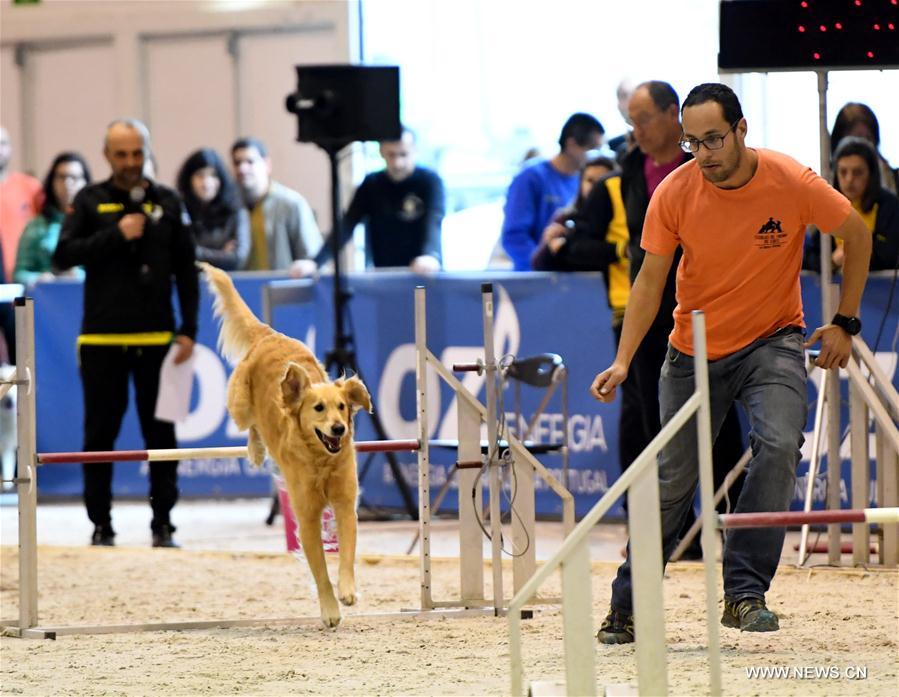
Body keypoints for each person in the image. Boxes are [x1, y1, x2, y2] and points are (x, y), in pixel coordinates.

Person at [590, 83, 871, 642]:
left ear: (742, 130)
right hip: (692, 350)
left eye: (714, 139)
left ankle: (744, 592)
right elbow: (650, 280)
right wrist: (623, 361)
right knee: (673, 482)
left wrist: (845, 320)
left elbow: (856, 234)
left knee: (779, 445)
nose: (705, 154)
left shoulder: (789, 180)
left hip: (774, 340)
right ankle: (628, 604)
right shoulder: (674, 193)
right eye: (693, 143)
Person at [602, 81, 746, 551]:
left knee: (719, 422)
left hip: (705, 306)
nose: (636, 130)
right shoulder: (627, 167)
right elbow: (638, 251)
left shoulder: (706, 161)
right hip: (646, 308)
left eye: (644, 119)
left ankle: (734, 527)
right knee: (652, 421)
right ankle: (671, 534)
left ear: (672, 115)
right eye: (631, 121)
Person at [53, 118, 199, 548]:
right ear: (106, 155)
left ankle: (164, 523)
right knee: (100, 435)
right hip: (102, 340)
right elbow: (63, 255)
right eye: (122, 154)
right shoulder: (89, 200)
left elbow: (187, 274)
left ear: (147, 151)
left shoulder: (169, 202)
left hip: (158, 340)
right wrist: (115, 235)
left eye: (137, 153)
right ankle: (101, 524)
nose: (131, 162)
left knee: (161, 437)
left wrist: (189, 330)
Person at [315, 128, 446, 272]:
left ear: (414, 151)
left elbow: (434, 220)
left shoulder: (430, 181)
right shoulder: (371, 184)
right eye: (391, 155)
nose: (398, 163)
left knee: (420, 294)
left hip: (423, 273)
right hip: (385, 274)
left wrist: (430, 255)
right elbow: (347, 224)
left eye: (403, 154)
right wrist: (316, 262)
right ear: (382, 152)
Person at [501, 113, 605, 271]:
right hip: (537, 280)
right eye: (592, 150)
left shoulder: (586, 180)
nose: (596, 157)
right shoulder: (531, 177)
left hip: (573, 280)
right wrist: (539, 268)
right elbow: (514, 236)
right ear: (571, 144)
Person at [230, 137, 323, 277]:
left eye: (250, 161)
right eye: (237, 163)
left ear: (267, 164)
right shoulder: (229, 207)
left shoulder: (291, 203)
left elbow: (312, 259)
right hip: (242, 293)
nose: (242, 168)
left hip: (284, 292)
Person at [804, 136, 899, 272]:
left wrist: (856, 253)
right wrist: (831, 261)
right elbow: (809, 257)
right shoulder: (828, 205)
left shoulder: (890, 206)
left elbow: (891, 255)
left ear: (871, 174)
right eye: (843, 172)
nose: (849, 179)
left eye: (858, 172)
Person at [14, 152, 91, 285]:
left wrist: (79, 275)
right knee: (23, 304)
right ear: (51, 181)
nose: (68, 183)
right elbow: (19, 274)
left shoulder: (95, 225)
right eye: (61, 177)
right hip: (44, 297)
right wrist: (38, 278)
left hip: (86, 299)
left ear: (85, 182)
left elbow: (109, 272)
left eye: (74, 177)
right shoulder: (36, 225)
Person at [0, 126, 43, 363]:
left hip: (21, 287)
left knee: (24, 359)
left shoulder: (30, 187)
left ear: (12, 148)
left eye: (3, 143)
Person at [176, 148, 250, 270]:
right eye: (200, 175)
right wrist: (222, 254)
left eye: (213, 175)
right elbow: (178, 254)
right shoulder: (179, 211)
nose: (206, 182)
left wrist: (195, 252)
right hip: (190, 283)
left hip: (228, 284)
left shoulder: (236, 212)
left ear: (221, 179)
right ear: (189, 179)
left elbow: (238, 259)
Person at [830, 102, 898, 194]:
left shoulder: (894, 180)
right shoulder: (822, 184)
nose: (861, 148)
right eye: (855, 139)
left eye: (868, 139)